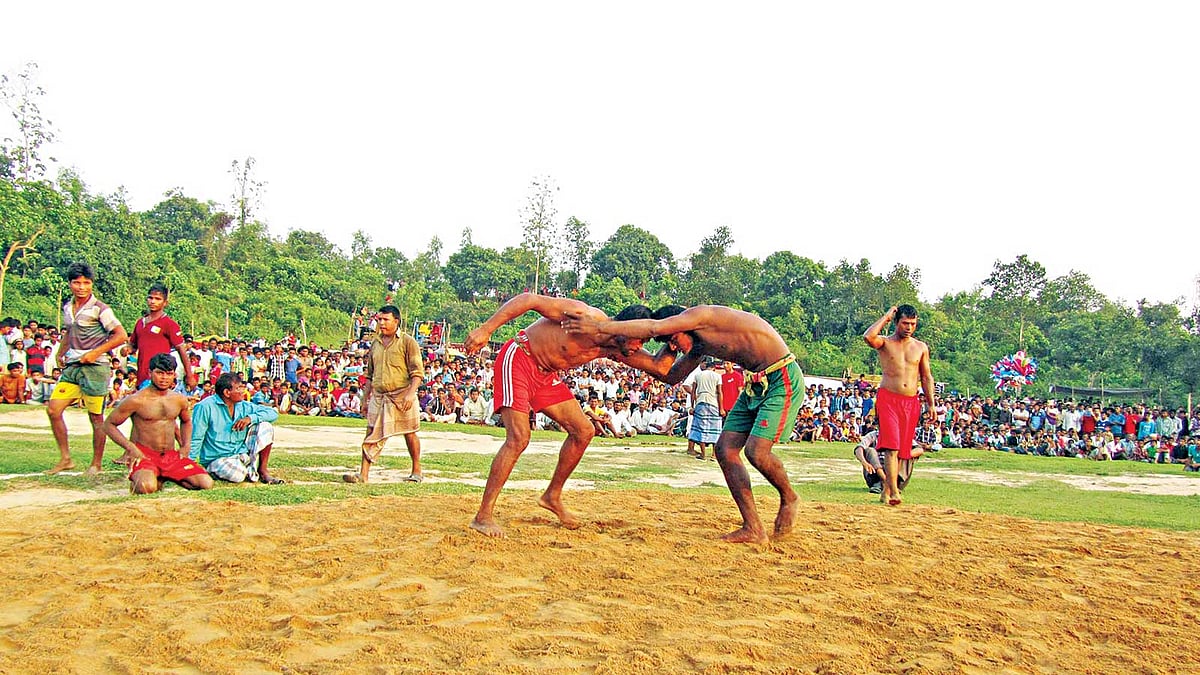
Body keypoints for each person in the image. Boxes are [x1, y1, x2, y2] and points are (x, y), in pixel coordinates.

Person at [563, 303, 805, 545]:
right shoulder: (699, 345)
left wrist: (598, 326)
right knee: (724, 450)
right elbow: (670, 375)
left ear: (680, 324)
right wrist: (618, 353)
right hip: (756, 382)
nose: (674, 347)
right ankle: (753, 527)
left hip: (780, 375)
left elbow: (654, 327)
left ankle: (788, 496)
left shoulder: (700, 316)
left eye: (673, 340)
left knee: (756, 452)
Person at [463, 293, 656, 538]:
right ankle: (483, 516)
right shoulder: (586, 316)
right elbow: (529, 300)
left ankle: (552, 496)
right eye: (638, 340)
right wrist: (486, 329)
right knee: (519, 438)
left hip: (546, 376)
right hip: (521, 358)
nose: (640, 347)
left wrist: (687, 342)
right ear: (624, 330)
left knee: (584, 431)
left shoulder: (617, 349)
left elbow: (661, 368)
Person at [46, 262, 130, 476]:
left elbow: (121, 335)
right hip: (73, 366)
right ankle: (65, 458)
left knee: (95, 417)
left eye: (86, 283)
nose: (81, 287)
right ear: (70, 284)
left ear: (92, 284)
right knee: (54, 410)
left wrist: (95, 352)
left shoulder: (100, 308)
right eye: (77, 282)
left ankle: (96, 464)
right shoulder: (67, 307)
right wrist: (60, 352)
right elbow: (68, 331)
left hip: (95, 367)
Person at [102, 354, 213, 494]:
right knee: (146, 487)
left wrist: (185, 446)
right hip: (144, 455)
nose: (164, 378)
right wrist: (131, 448)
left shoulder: (178, 399)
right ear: (150, 373)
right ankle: (149, 476)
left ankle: (165, 475)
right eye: (160, 373)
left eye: (169, 374)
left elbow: (186, 421)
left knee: (205, 483)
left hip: (170, 456)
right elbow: (109, 425)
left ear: (174, 375)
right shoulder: (136, 400)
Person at [862, 305, 935, 506]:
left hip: (911, 402)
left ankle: (886, 491)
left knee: (903, 450)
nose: (909, 327)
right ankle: (894, 490)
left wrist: (931, 404)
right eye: (905, 323)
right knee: (891, 447)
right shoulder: (885, 342)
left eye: (912, 324)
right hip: (888, 399)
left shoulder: (921, 347)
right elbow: (868, 337)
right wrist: (886, 316)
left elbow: (927, 376)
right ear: (897, 322)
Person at [343, 305, 425, 484]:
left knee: (409, 433)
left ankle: (416, 470)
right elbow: (369, 376)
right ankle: (363, 474)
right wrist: (364, 399)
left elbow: (417, 373)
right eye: (379, 319)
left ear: (396, 321)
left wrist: (410, 394)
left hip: (402, 394)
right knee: (371, 431)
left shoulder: (408, 342)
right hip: (379, 395)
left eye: (385, 319)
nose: (381, 323)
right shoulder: (375, 343)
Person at [190, 373, 284, 484]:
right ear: (227, 393)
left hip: (240, 454)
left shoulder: (243, 406)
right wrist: (188, 464)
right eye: (238, 388)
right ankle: (214, 469)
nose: (242, 391)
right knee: (238, 476)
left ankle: (262, 471)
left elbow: (273, 413)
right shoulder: (205, 407)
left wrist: (250, 418)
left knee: (266, 427)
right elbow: (196, 438)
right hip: (217, 458)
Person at [128, 283, 195, 391]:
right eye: (150, 298)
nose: (153, 301)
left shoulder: (169, 324)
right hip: (142, 376)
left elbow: (181, 349)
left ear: (165, 303)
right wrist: (126, 349)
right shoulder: (140, 323)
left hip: (160, 377)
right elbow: (133, 345)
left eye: (157, 299)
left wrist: (189, 375)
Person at [853, 425, 923, 495]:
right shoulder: (873, 435)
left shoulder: (901, 435)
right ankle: (883, 480)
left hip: (897, 475)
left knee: (906, 452)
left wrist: (903, 455)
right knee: (870, 451)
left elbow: (919, 450)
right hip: (875, 474)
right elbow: (859, 448)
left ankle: (891, 483)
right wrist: (864, 462)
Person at [685, 359, 723, 460]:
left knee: (701, 429)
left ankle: (703, 454)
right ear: (714, 368)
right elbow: (719, 392)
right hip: (713, 403)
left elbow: (693, 392)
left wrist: (692, 406)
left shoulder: (698, 375)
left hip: (700, 403)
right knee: (715, 429)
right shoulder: (717, 376)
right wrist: (721, 408)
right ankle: (714, 455)